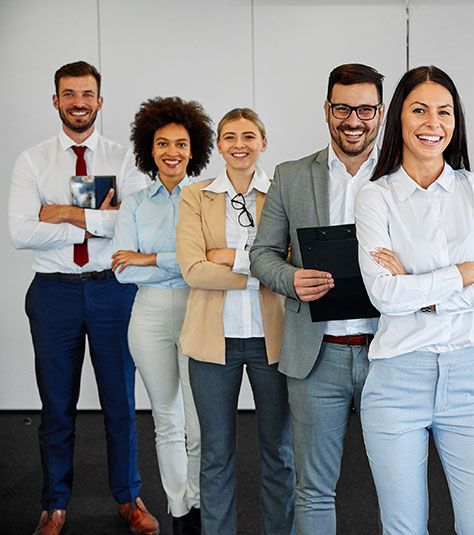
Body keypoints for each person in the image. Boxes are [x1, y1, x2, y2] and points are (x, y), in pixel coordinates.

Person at [353, 65, 474, 534]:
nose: (432, 123)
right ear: (398, 118)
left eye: (444, 112)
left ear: (456, 122)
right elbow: (384, 294)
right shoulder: (375, 197)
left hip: (469, 379)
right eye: (419, 110)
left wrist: (423, 295)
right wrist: (463, 275)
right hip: (396, 380)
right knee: (403, 529)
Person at [8, 60, 156, 535]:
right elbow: (20, 232)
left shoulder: (126, 157)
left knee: (120, 403)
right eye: (69, 94)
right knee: (56, 407)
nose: (78, 103)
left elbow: (133, 225)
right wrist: (96, 218)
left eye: (86, 94)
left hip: (113, 289)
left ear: (100, 99)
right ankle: (54, 505)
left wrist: (64, 213)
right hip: (53, 295)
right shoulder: (32, 161)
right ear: (56, 100)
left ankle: (129, 497)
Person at [249, 63, 383, 535]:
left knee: (399, 485)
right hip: (316, 356)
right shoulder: (290, 176)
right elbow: (261, 255)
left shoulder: (404, 173)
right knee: (313, 489)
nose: (354, 119)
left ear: (380, 112)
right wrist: (290, 279)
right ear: (327, 110)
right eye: (343, 107)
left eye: (365, 109)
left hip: (391, 353)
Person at [175, 108, 295, 535]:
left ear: (263, 142)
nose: (239, 144)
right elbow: (193, 270)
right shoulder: (195, 195)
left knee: (280, 453)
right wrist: (262, 265)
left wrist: (229, 258)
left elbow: (293, 264)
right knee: (215, 454)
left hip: (274, 343)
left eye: (248, 136)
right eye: (229, 137)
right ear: (219, 145)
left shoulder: (283, 192)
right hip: (213, 343)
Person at [112, 96, 214, 534]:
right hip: (149, 317)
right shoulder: (135, 203)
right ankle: (180, 511)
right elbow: (119, 271)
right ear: (149, 150)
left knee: (198, 422)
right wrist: (180, 259)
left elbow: (209, 260)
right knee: (167, 420)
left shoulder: (207, 198)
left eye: (181, 143)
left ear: (194, 150)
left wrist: (149, 258)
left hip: (198, 312)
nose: (172, 151)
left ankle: (199, 499)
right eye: (162, 143)